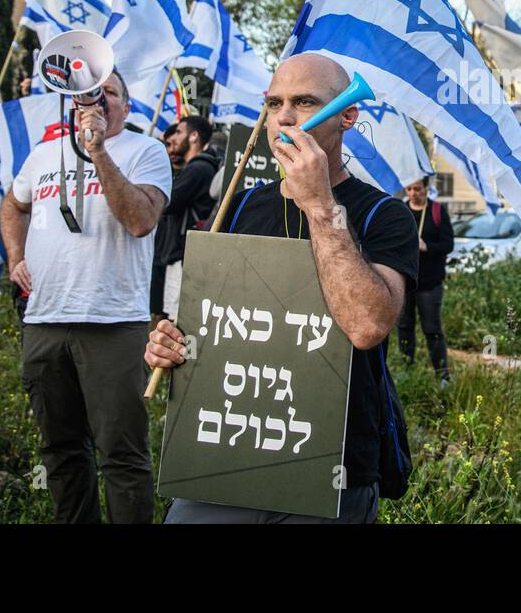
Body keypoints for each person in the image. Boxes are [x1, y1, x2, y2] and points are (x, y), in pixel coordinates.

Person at [145, 53, 418, 524]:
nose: (284, 117)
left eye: (304, 102)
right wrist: (172, 342)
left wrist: (318, 204)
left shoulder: (384, 214)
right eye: (274, 103)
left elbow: (368, 325)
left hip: (330, 467)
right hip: (221, 458)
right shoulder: (239, 204)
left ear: (347, 116)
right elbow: (208, 322)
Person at [0, 67, 172, 524]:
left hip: (113, 324)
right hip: (44, 321)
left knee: (122, 451)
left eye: (108, 94)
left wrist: (97, 151)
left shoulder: (146, 151)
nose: (95, 103)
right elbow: (13, 205)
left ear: (126, 105)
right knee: (59, 448)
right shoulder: (43, 154)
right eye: (86, 95)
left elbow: (140, 220)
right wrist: (15, 254)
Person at [151, 115, 219, 321]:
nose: (175, 138)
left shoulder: (199, 168)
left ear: (194, 136)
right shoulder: (197, 167)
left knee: (174, 320)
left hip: (183, 255)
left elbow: (165, 202)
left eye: (179, 132)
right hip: (179, 253)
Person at [399, 176, 455, 383]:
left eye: (417, 189)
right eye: (409, 189)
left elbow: (448, 245)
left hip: (430, 283)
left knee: (432, 329)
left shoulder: (437, 211)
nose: (413, 193)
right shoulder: (401, 210)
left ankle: (442, 375)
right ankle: (407, 367)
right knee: (404, 326)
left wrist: (427, 247)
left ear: (426, 189)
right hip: (405, 282)